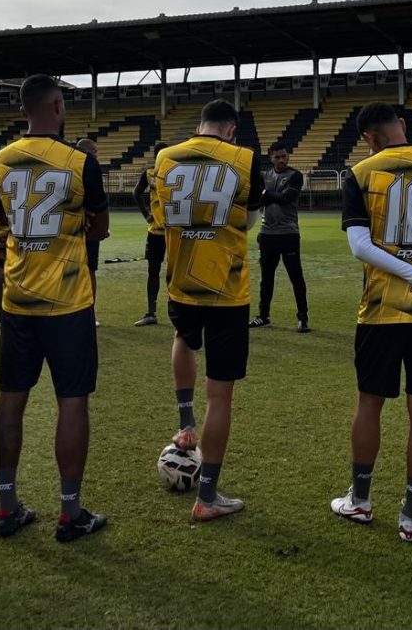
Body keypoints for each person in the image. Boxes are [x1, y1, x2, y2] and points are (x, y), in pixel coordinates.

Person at [330, 102, 412, 544]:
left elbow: (360, 247)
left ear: (368, 138)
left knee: (369, 404)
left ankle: (361, 500)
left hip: (380, 308)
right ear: (402, 125)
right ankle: (410, 516)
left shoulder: (359, 173)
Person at [0, 75, 110, 542]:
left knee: (11, 398)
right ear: (58, 106)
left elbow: (5, 219)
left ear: (25, 110)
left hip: (18, 297)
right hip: (68, 299)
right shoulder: (80, 161)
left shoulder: (1, 159)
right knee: (72, 400)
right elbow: (99, 228)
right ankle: (70, 512)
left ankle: (6, 508)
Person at [152, 100, 262, 522]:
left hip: (181, 278)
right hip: (226, 286)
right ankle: (208, 496)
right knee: (221, 395)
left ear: (200, 125)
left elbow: (161, 216)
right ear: (231, 130)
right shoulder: (244, 158)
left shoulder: (165, 157)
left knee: (182, 337)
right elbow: (248, 221)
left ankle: (185, 424)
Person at [251, 142, 310, 333]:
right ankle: (263, 316)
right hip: (267, 234)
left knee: (296, 278)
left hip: (288, 234)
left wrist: (267, 194)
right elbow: (258, 200)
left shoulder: (295, 176)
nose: (282, 160)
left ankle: (303, 318)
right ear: (271, 158)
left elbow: (287, 198)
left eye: (284, 156)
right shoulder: (264, 175)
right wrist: (268, 195)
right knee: (266, 278)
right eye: (277, 157)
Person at [131, 155, 165, 327]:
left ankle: (154, 313)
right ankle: (151, 313)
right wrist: (146, 214)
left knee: (159, 272)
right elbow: (136, 192)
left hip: (172, 232)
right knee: (154, 271)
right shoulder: (149, 173)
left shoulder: (174, 171)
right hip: (161, 231)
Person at [76, 138, 103, 327]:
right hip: (86, 229)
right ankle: (87, 312)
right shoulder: (90, 168)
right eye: (95, 152)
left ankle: (86, 311)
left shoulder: (69, 165)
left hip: (76, 228)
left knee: (85, 270)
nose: (96, 157)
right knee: (87, 271)